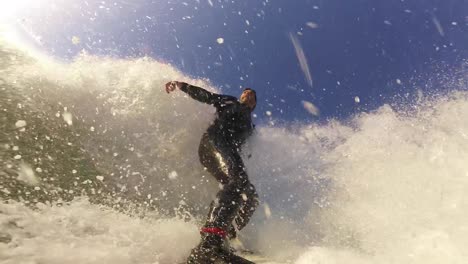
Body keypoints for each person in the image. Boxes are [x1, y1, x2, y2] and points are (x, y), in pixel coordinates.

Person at [165, 81, 259, 264]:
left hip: (228, 152)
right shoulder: (230, 102)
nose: (247, 95)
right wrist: (182, 86)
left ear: (254, 104)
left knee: (251, 196)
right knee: (238, 181)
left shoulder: (251, 126)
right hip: (214, 143)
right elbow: (207, 97)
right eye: (245, 92)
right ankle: (209, 245)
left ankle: (226, 238)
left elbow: (247, 149)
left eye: (252, 95)